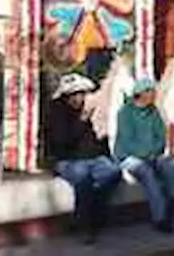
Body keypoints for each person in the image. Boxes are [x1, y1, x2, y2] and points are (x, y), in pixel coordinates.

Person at [48, 73, 122, 242]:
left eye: (82, 93)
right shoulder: (58, 112)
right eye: (74, 94)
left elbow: (97, 142)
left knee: (114, 172)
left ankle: (83, 217)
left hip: (94, 159)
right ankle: (87, 226)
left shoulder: (91, 110)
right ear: (66, 96)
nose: (79, 98)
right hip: (68, 160)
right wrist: (81, 120)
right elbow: (62, 142)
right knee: (83, 179)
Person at [113, 78, 174, 233]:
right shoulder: (125, 113)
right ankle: (160, 218)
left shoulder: (153, 111)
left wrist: (154, 152)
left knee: (169, 170)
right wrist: (147, 154)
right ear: (141, 94)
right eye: (151, 92)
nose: (154, 95)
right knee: (148, 174)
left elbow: (161, 136)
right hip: (129, 156)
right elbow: (127, 142)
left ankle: (164, 207)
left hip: (152, 155)